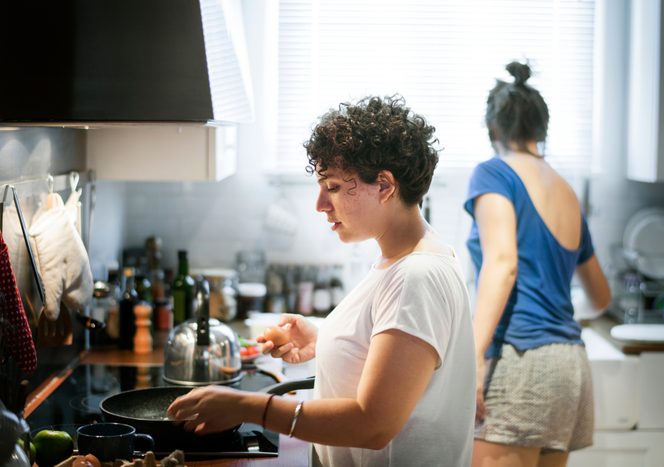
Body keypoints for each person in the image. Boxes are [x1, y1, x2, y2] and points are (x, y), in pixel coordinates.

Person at [168, 95, 476, 466]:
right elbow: (392, 351)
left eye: (331, 186)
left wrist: (248, 406)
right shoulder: (407, 258)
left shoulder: (416, 276)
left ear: (384, 186)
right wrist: (325, 336)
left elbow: (373, 424)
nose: (320, 204)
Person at [464, 62, 611, 467]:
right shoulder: (565, 190)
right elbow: (601, 296)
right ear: (541, 130)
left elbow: (502, 263)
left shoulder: (493, 173)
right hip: (570, 367)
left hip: (521, 360)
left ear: (494, 130)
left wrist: (473, 360)